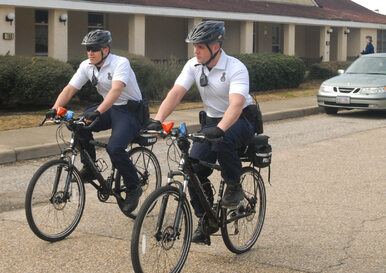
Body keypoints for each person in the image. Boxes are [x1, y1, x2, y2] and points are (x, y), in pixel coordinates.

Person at [146, 20, 257, 245]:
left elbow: (236, 105)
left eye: (200, 46)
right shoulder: (193, 65)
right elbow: (176, 93)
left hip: (240, 119)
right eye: (194, 46)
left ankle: (233, 185)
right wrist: (158, 120)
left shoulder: (235, 67)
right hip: (213, 121)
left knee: (222, 140)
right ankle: (206, 219)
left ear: (215, 46)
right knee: (193, 167)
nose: (195, 50)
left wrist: (221, 129)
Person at [46, 29, 143, 214]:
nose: (90, 52)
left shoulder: (120, 63)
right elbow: (70, 89)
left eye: (94, 49)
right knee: (77, 124)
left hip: (129, 111)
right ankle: (90, 167)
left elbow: (116, 91)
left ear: (105, 50)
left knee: (114, 148)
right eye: (88, 49)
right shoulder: (87, 66)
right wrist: (55, 108)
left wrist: (97, 112)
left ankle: (133, 187)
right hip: (109, 107)